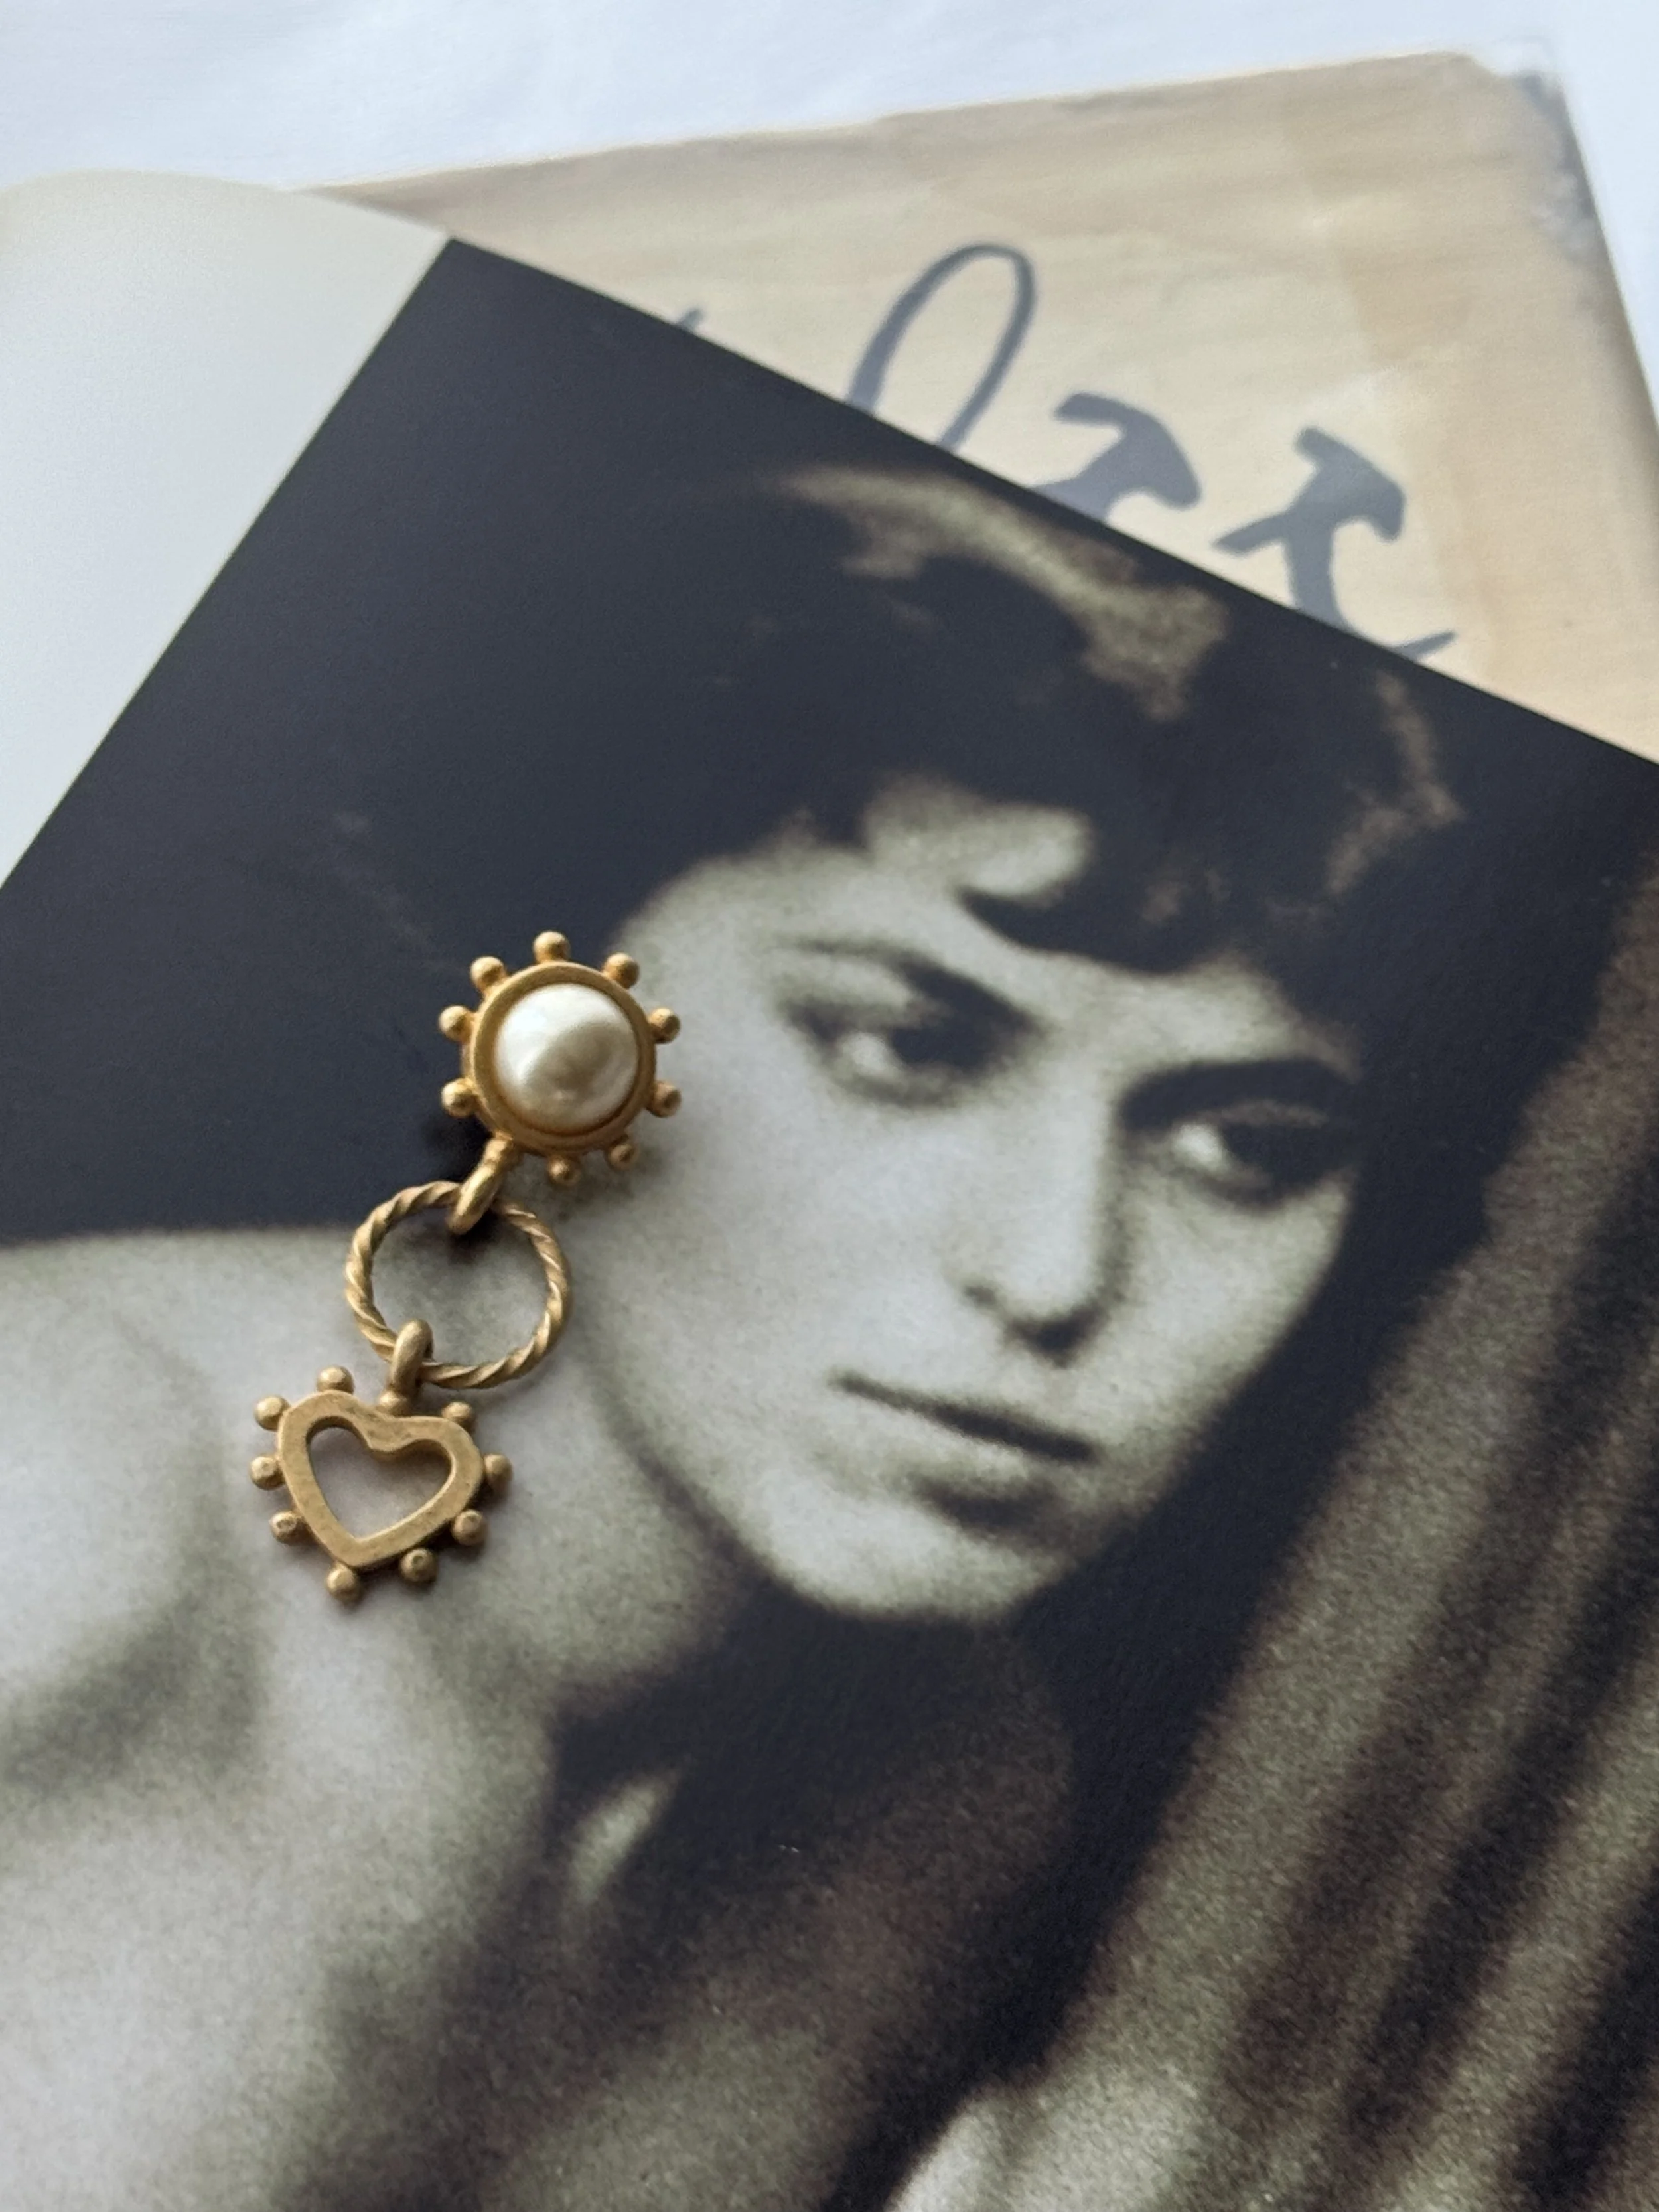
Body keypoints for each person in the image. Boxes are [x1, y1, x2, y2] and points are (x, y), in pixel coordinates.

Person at [1, 461, 1650, 2212]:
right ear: (548, 1038)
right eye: (906, 1048)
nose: (1050, 1271)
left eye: (1246, 1146)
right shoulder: (59, 1500)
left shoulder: (941, 1801)